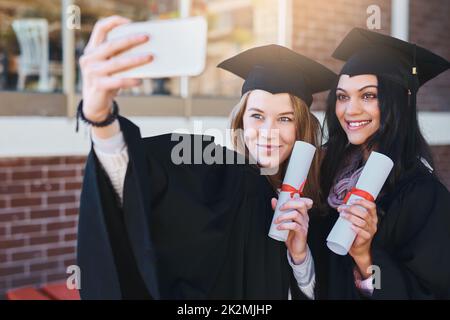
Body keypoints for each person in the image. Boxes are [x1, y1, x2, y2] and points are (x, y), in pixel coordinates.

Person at [76, 16, 337, 299]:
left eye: (284, 118)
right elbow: (134, 176)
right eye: (257, 116)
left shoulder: (318, 200)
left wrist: (300, 257)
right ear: (241, 121)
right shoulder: (215, 171)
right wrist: (100, 119)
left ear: (303, 127)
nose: (268, 132)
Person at [315, 27, 450, 299]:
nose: (350, 110)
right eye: (342, 96)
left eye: (368, 95)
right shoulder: (327, 175)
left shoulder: (423, 196)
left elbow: (432, 294)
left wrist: (365, 260)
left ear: (400, 101)